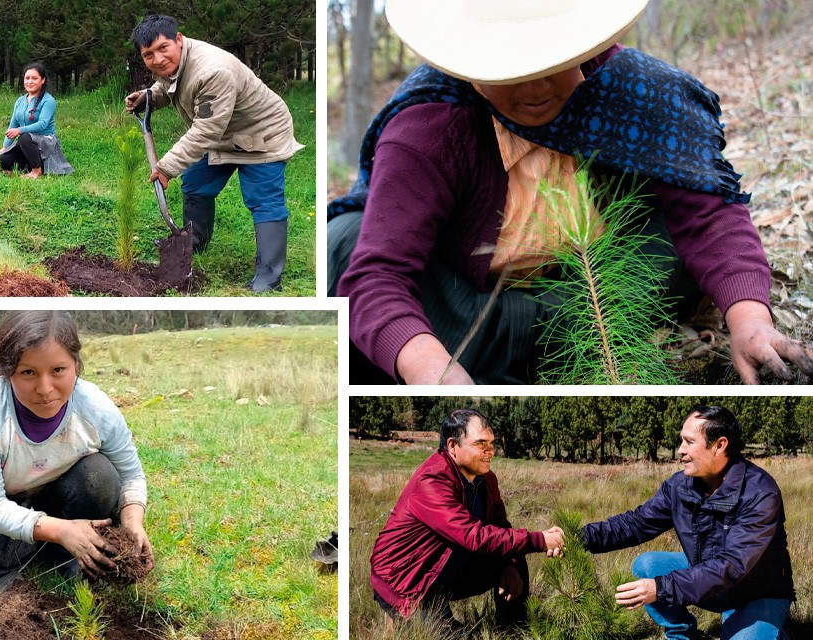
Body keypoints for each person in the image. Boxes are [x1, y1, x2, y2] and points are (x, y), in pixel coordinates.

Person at [328, 0, 813, 385]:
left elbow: (709, 213)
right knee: (344, 245)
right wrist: (431, 370)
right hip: (469, 305)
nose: (536, 87)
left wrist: (749, 319)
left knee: (679, 246)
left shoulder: (636, 92)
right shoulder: (429, 127)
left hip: (596, 292)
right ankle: (498, 353)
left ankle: (578, 339)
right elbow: (379, 274)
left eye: (554, 63)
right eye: (510, 71)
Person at [0, 311, 153, 607]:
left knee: (100, 474)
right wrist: (61, 530)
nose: (45, 389)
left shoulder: (97, 409)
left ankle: (68, 556)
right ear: (8, 372)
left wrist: (133, 524)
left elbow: (131, 476)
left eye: (58, 370)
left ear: (76, 366)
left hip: (51, 499)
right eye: (28, 373)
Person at [125, 14, 305, 293]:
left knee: (263, 199)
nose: (158, 59)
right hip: (223, 133)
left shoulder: (212, 71)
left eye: (163, 49)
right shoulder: (175, 63)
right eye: (148, 54)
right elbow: (167, 84)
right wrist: (149, 96)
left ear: (179, 40)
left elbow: (206, 130)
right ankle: (193, 241)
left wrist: (167, 166)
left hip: (261, 134)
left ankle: (269, 276)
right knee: (196, 183)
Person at [581, 405, 794, 639]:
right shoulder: (680, 486)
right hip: (708, 579)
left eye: (689, 442)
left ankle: (768, 629)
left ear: (719, 446)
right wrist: (579, 538)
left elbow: (731, 565)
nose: (680, 450)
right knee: (648, 565)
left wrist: (661, 588)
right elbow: (636, 524)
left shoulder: (759, 492)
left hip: (757, 591)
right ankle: (682, 634)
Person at [370, 408, 565, 634]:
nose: (490, 451)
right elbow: (473, 535)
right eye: (481, 444)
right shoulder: (433, 480)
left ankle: (514, 631)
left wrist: (508, 564)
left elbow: (500, 527)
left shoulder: (487, 479)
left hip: (448, 568)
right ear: (453, 446)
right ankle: (410, 620)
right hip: (411, 580)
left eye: (492, 444)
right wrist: (540, 540)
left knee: (516, 557)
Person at [0, 62, 74, 178]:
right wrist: (4, 147)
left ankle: (36, 171)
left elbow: (42, 124)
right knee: (4, 159)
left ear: (42, 80)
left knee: (25, 137)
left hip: (45, 142)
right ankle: (31, 165)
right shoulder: (20, 101)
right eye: (27, 78)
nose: (30, 81)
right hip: (26, 144)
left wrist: (20, 130)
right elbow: (13, 125)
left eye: (34, 78)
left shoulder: (48, 100)